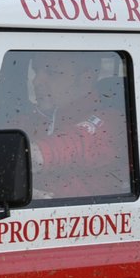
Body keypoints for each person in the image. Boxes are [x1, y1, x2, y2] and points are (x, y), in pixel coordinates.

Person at [20, 52, 131, 200]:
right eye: (36, 71)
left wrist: (18, 157)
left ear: (87, 78)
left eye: (52, 73)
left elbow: (67, 146)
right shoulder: (34, 118)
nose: (36, 81)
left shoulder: (112, 122)